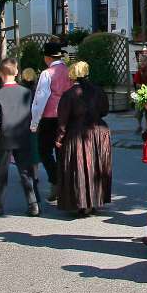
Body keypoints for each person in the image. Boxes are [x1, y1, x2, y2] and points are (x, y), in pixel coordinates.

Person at [55, 60, 112, 217]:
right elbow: (105, 111)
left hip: (79, 133)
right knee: (96, 167)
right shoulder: (98, 91)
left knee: (80, 168)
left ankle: (83, 203)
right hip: (100, 132)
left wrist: (59, 138)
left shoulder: (69, 94)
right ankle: (94, 200)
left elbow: (62, 121)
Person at [0, 59, 40, 217]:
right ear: (17, 72)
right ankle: (33, 204)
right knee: (26, 171)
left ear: (0, 73)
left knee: (2, 171)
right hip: (23, 134)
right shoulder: (26, 92)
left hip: (6, 136)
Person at [30, 41, 73, 202]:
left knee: (44, 151)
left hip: (49, 117)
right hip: (66, 116)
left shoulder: (47, 73)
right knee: (61, 151)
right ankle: (65, 184)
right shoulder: (68, 71)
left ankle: (55, 180)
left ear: (47, 58)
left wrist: (34, 122)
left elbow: (40, 99)